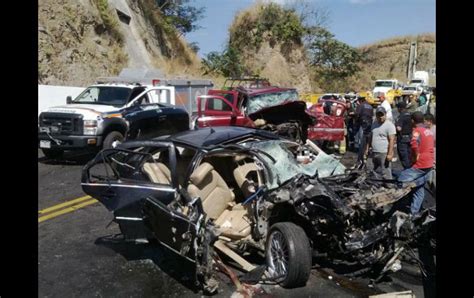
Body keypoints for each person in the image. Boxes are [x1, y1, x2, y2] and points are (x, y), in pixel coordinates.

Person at [397, 112, 435, 215]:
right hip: (429, 163)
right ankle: (413, 213)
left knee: (400, 179)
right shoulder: (429, 131)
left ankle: (397, 205)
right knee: (419, 189)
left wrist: (415, 157)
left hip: (420, 164)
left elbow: (414, 145)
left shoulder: (416, 131)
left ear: (413, 121)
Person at [366, 106, 396, 179]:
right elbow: (370, 137)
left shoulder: (389, 125)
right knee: (369, 170)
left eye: (382, 115)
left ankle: (389, 186)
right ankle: (372, 184)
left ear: (385, 114)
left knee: (386, 172)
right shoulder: (374, 124)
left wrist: (390, 154)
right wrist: (366, 149)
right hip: (373, 152)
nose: (380, 117)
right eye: (378, 115)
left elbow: (392, 140)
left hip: (384, 152)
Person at [354, 96, 374, 166]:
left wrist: (356, 121)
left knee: (361, 141)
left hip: (362, 124)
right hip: (369, 124)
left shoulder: (361, 106)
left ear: (361, 100)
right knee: (367, 140)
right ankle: (366, 153)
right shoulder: (370, 106)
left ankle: (360, 157)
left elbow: (357, 114)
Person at [395, 101, 413, 169]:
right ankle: (410, 169)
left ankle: (407, 171)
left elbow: (399, 128)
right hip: (410, 137)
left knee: (403, 156)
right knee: (409, 154)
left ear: (400, 108)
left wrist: (396, 126)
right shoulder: (410, 115)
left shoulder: (401, 116)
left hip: (402, 139)